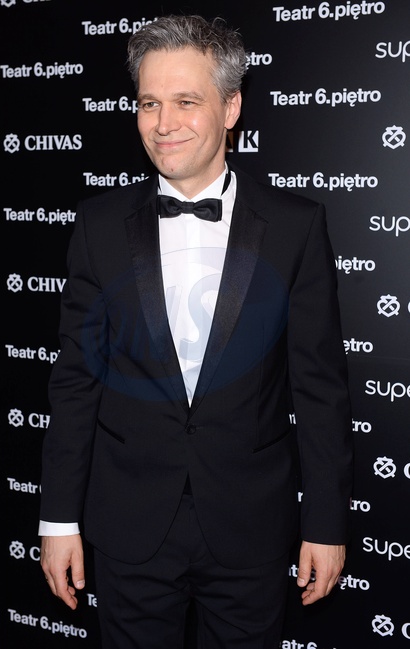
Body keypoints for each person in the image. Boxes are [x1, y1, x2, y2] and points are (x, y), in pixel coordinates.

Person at [39, 14, 354, 649]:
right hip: (128, 525)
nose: (163, 123)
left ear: (231, 107)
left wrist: (325, 524)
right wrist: (57, 520)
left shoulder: (296, 226)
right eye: (149, 103)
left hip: (250, 527)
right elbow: (75, 382)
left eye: (186, 101)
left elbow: (320, 389)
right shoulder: (98, 226)